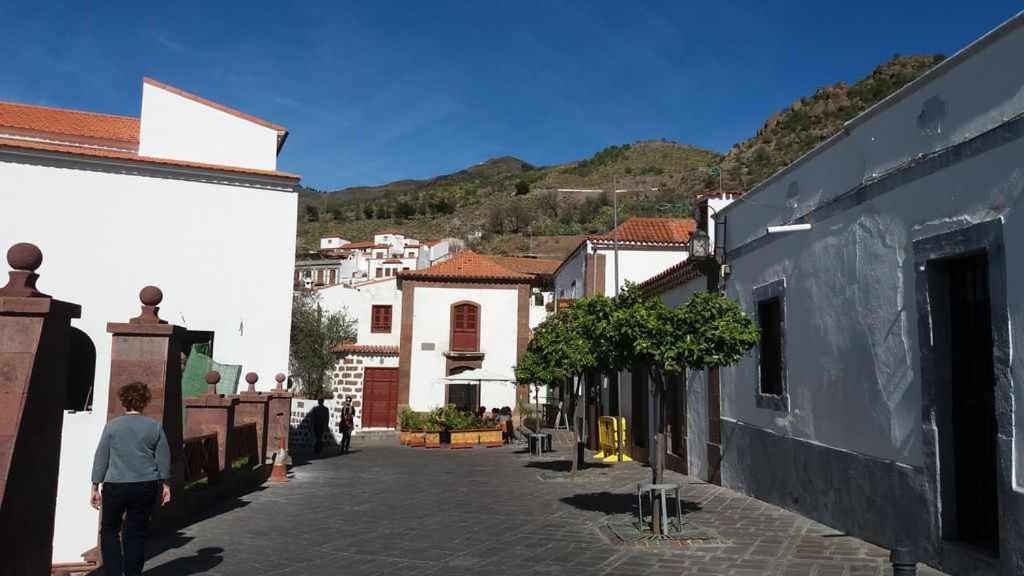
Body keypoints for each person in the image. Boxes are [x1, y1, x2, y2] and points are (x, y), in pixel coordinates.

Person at [91, 382, 171, 576]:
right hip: (145, 485)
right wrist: (166, 484)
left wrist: (95, 485)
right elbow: (163, 457)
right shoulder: (154, 427)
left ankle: (113, 571)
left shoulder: (112, 427)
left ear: (124, 402)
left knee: (109, 530)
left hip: (116, 485)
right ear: (144, 402)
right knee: (136, 531)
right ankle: (133, 573)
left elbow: (102, 456)